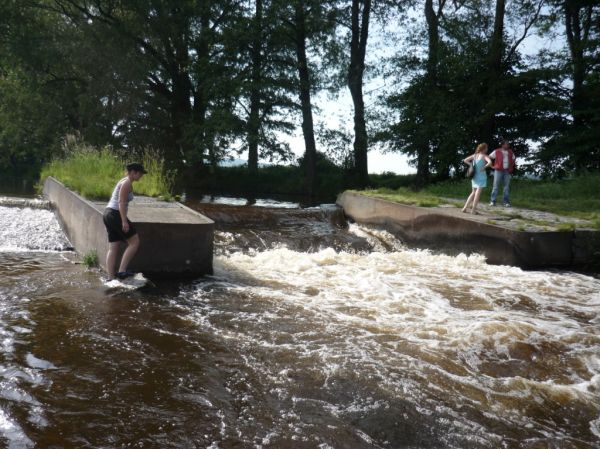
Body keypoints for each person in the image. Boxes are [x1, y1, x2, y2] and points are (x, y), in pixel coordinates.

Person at [102, 162, 146, 280]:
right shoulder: (126, 183)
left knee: (113, 248)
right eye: (140, 173)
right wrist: (124, 221)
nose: (141, 175)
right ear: (133, 172)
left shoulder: (125, 180)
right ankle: (121, 271)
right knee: (134, 242)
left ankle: (110, 278)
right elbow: (121, 202)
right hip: (115, 214)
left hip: (108, 214)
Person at [462, 143, 492, 214]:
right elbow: (490, 162)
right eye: (486, 148)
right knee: (477, 193)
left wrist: (472, 165)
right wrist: (484, 167)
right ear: (484, 149)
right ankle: (473, 210)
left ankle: (465, 208)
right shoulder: (484, 156)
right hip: (481, 176)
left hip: (474, 175)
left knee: (473, 192)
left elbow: (465, 160)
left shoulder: (474, 155)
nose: (487, 149)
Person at [489, 140, 515, 207]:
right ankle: (493, 201)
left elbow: (513, 159)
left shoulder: (510, 152)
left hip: (507, 170)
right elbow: (490, 157)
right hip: (498, 170)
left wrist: (511, 167)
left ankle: (506, 202)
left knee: (506, 187)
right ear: (502, 145)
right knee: (495, 186)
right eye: (506, 144)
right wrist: (492, 165)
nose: (508, 145)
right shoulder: (497, 151)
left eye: (508, 144)